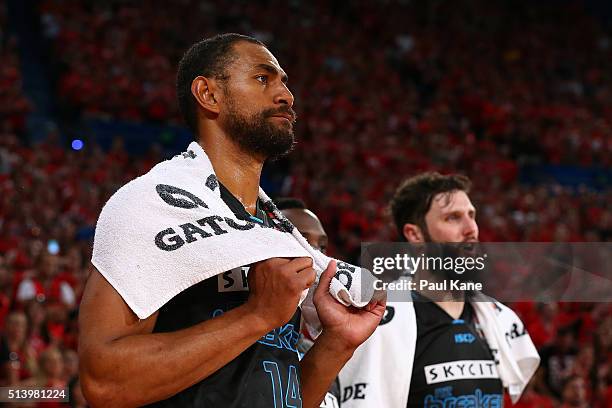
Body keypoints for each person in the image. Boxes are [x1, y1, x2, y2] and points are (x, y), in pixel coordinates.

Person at [78, 33, 384, 407]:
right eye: (262, 78)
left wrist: (337, 343)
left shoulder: (275, 231)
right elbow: (104, 381)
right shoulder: (148, 205)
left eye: (284, 82)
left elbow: (276, 396)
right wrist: (256, 315)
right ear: (209, 94)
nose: (286, 95)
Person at [339, 172, 539, 407]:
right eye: (453, 218)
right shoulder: (378, 320)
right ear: (415, 235)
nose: (471, 229)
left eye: (471, 215)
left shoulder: (498, 319)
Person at [276, 197, 339, 408]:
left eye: (322, 245)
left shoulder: (325, 349)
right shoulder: (244, 342)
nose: (316, 253)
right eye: (301, 239)